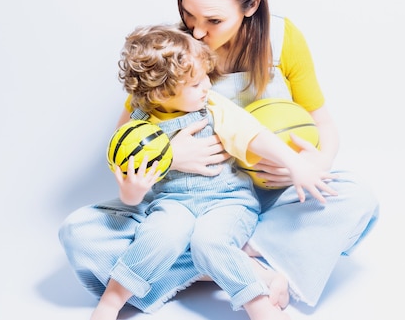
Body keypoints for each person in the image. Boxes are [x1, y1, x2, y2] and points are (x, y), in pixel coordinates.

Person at [59, 0, 379, 314]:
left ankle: (211, 255)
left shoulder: (283, 38)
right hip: (180, 200)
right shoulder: (169, 52)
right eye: (188, 14)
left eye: (213, 20)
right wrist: (170, 156)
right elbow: (125, 142)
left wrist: (310, 169)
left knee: (357, 198)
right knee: (79, 232)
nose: (196, 31)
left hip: (258, 196)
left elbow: (323, 122)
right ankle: (237, 263)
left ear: (251, 5)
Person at [91, 24, 338, 320]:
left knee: (209, 242)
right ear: (160, 93)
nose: (208, 85)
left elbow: (255, 135)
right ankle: (111, 301)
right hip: (173, 203)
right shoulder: (139, 124)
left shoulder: (212, 106)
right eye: (196, 84)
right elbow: (131, 186)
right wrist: (133, 191)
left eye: (206, 76)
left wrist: (297, 165)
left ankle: (258, 304)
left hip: (228, 199)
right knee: (157, 237)